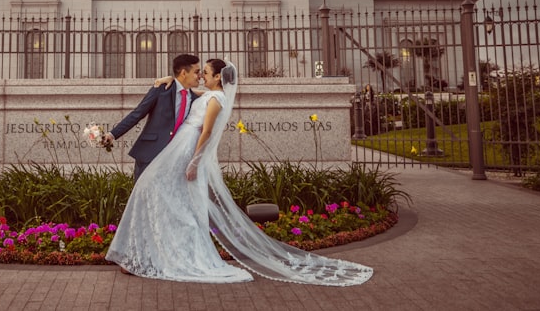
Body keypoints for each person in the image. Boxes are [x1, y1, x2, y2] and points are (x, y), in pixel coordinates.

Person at [106, 59, 374, 286]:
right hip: (173, 150)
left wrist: (195, 162)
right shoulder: (200, 94)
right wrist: (170, 78)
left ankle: (165, 256)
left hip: (185, 152)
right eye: (197, 72)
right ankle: (142, 254)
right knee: (155, 196)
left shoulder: (215, 98)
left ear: (217, 78)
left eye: (206, 73)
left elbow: (207, 131)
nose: (201, 76)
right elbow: (178, 93)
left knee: (175, 204)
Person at [105, 53, 200, 180]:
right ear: (184, 73)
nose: (200, 76)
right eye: (196, 72)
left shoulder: (195, 99)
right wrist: (112, 134)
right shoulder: (162, 89)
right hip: (150, 153)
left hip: (176, 159)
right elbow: (138, 113)